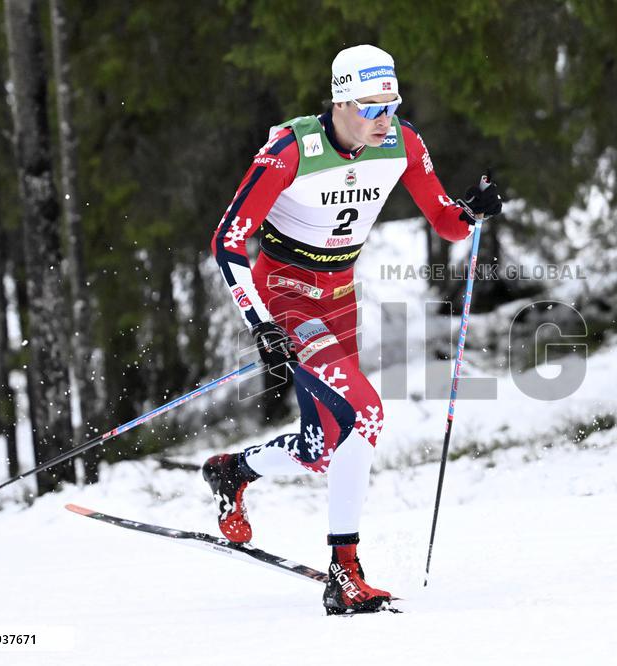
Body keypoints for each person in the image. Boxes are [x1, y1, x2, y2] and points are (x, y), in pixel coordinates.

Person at [203, 44, 502, 615]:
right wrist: (261, 323)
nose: (384, 120)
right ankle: (344, 573)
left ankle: (232, 471)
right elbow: (228, 240)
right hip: (286, 296)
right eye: (371, 108)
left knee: (322, 448)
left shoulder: (402, 143)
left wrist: (471, 211)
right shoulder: (290, 151)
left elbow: (446, 221)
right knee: (364, 414)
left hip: (340, 297)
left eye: (391, 105)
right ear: (340, 101)